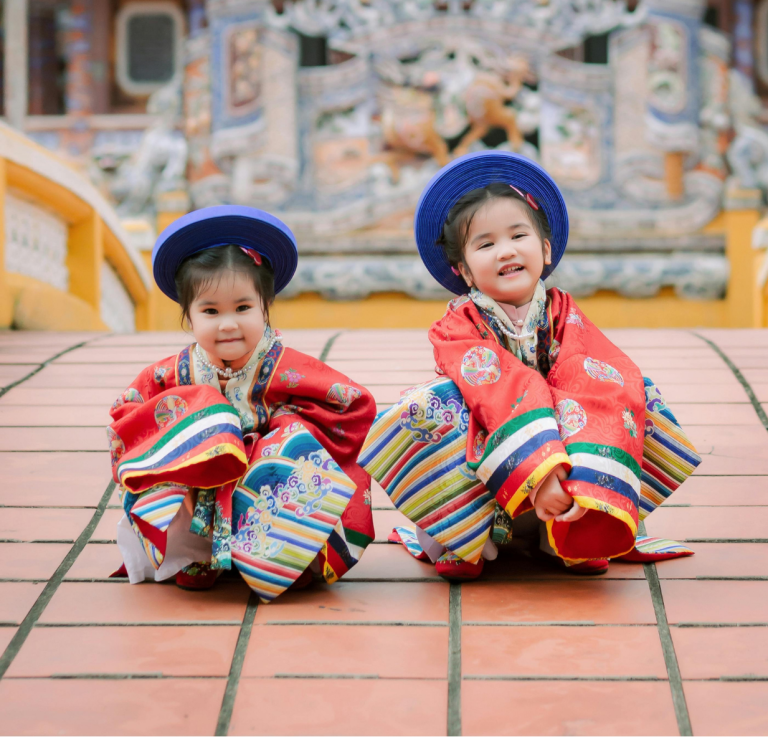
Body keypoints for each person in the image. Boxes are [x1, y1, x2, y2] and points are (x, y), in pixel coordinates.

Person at [360, 151, 700, 580]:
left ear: (544, 248)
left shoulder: (563, 314)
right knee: (434, 403)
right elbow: (498, 388)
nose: (505, 251)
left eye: (517, 236)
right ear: (463, 270)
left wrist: (558, 464)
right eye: (485, 244)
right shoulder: (455, 326)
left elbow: (591, 375)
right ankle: (461, 535)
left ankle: (566, 528)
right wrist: (540, 470)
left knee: (616, 386)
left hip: (559, 469)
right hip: (486, 466)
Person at [108, 206, 376, 601]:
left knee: (293, 445)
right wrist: (182, 432)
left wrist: (285, 428)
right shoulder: (173, 373)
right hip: (203, 476)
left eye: (243, 308)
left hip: (265, 473)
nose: (228, 323)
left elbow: (352, 405)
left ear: (265, 306)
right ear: (189, 316)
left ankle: (288, 554)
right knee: (175, 447)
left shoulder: (286, 366)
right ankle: (194, 554)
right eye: (210, 311)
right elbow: (128, 413)